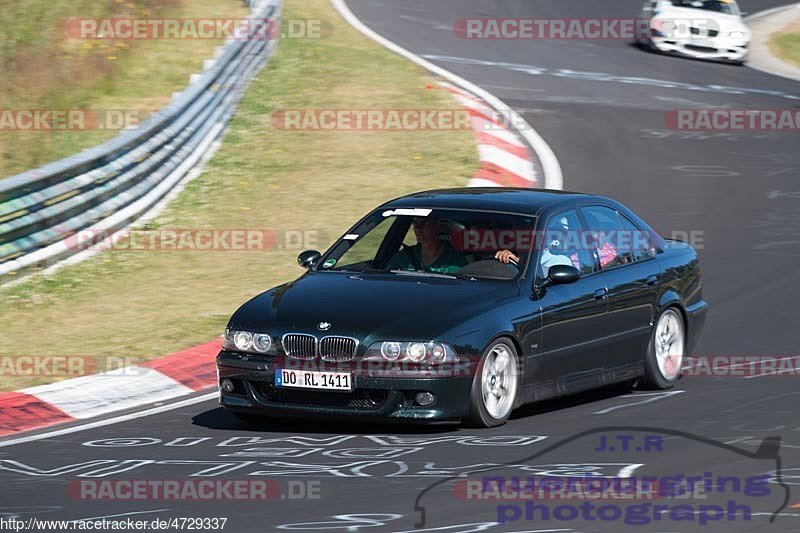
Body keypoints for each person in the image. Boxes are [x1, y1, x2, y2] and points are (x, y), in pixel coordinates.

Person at [386, 217, 467, 274]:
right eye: (415, 224)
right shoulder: (404, 257)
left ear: (437, 227)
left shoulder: (454, 260)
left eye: (424, 223)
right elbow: (385, 278)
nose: (418, 228)